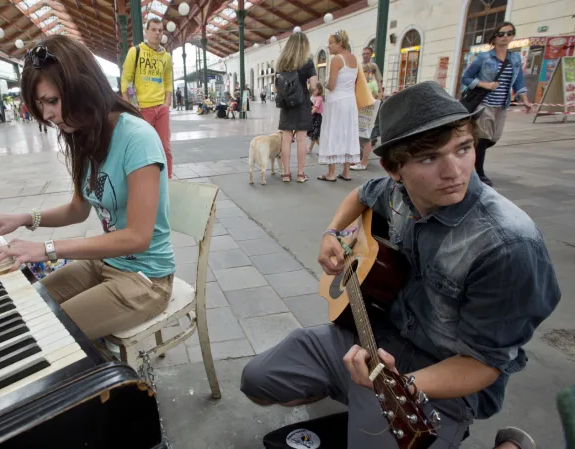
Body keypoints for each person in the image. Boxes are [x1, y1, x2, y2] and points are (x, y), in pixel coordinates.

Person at [240, 82, 560, 449]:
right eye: (429, 158)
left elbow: (486, 364)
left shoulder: (508, 246)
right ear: (395, 168)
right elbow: (360, 194)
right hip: (371, 337)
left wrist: (400, 385)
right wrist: (332, 232)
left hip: (441, 378)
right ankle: (352, 397)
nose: (454, 171)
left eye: (464, 149)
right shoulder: (398, 192)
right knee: (257, 381)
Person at [0, 36, 176, 340]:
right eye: (41, 104)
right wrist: (23, 219)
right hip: (106, 263)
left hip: (146, 279)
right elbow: (78, 210)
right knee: (28, 305)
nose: (48, 114)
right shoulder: (85, 135)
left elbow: (137, 237)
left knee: (45, 333)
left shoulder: (137, 138)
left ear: (82, 87)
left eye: (52, 101)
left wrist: (47, 249)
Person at [461, 22, 533, 186]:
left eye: (509, 33)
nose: (505, 37)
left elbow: (518, 81)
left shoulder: (514, 58)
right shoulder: (483, 58)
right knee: (483, 137)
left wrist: (525, 100)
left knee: (493, 138)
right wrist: (483, 84)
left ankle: (468, 155)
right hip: (483, 103)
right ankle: (479, 173)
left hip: (502, 105)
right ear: (494, 37)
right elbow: (465, 78)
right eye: (501, 34)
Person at [121, 18, 174, 178]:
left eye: (160, 30)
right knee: (143, 147)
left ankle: (168, 180)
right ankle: (145, 181)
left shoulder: (166, 57)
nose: (157, 33)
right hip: (141, 109)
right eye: (154, 29)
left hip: (161, 108)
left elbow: (168, 82)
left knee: (164, 147)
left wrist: (166, 104)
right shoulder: (135, 52)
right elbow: (126, 79)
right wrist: (131, 103)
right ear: (146, 31)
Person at [274, 31, 318, 183]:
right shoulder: (308, 62)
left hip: (286, 104)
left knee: (286, 139)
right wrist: (307, 91)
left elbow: (276, 85)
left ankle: (286, 174)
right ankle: (300, 174)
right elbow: (314, 85)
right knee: (301, 139)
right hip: (302, 103)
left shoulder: (281, 62)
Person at [318, 30, 360, 182]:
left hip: (337, 101)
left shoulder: (337, 59)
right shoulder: (354, 58)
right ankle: (347, 171)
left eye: (330, 43)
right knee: (348, 133)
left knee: (333, 132)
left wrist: (325, 83)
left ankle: (331, 173)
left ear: (340, 43)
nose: (328, 46)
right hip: (350, 101)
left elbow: (332, 85)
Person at [352, 62, 382, 171]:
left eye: (363, 71)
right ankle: (361, 160)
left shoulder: (371, 83)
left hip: (367, 114)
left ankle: (364, 162)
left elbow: (376, 96)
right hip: (363, 113)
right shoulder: (365, 82)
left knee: (366, 138)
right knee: (362, 137)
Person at [307, 83, 324, 155]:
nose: (313, 91)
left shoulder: (319, 98)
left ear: (319, 90)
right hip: (313, 117)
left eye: (315, 89)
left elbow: (315, 108)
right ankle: (311, 149)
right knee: (313, 135)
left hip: (316, 117)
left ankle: (320, 149)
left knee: (314, 135)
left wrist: (308, 114)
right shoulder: (313, 97)